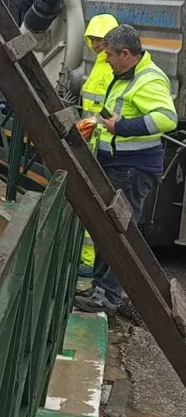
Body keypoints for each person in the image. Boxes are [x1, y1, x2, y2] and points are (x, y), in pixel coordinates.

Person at [75, 24, 177, 314]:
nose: (105, 60)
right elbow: (115, 112)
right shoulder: (124, 75)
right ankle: (99, 289)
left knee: (120, 235)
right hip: (119, 165)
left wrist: (121, 127)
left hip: (132, 169)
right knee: (108, 231)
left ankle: (107, 297)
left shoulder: (149, 80)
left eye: (109, 55)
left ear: (126, 53)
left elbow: (167, 119)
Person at [77, 13, 119, 278]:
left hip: (99, 141)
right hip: (92, 138)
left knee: (95, 201)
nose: (95, 45)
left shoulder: (109, 68)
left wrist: (88, 126)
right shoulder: (101, 65)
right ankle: (86, 259)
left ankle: (90, 263)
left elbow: (104, 108)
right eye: (92, 39)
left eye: (100, 40)